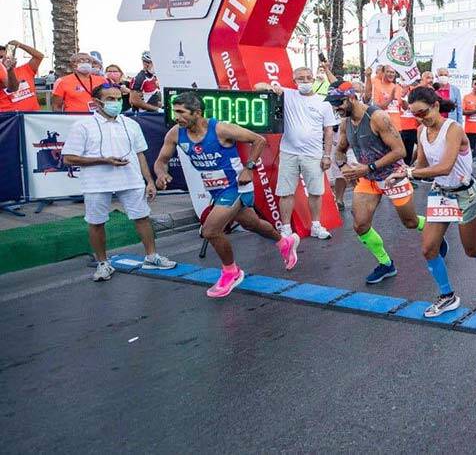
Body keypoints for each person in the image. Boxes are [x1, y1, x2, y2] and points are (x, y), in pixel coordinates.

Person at [154, 92, 299, 298]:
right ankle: (285, 242)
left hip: (237, 186)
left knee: (210, 230)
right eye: (174, 111)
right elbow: (161, 160)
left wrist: (249, 168)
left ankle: (231, 272)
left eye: (181, 112)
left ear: (197, 113)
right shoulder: (176, 133)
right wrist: (161, 173)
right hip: (216, 189)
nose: (176, 117)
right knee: (252, 224)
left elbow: (258, 140)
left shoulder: (221, 128)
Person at [397, 86, 476, 317]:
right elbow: (423, 165)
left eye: (423, 112)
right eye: (415, 115)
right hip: (441, 194)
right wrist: (404, 170)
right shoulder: (422, 132)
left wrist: (412, 174)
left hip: (466, 195)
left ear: (435, 105)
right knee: (428, 248)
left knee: (472, 250)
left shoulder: (452, 129)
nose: (420, 118)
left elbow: (445, 166)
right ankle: (447, 296)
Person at [62, 83, 176, 281]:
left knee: (142, 217)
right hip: (96, 184)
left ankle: (152, 257)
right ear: (97, 102)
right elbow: (69, 158)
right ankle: (103, 264)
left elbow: (140, 155)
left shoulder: (131, 124)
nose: (116, 103)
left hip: (131, 181)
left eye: (118, 98)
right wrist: (103, 160)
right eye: (110, 99)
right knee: (96, 223)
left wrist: (149, 181)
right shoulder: (82, 126)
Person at [327, 82, 429, 285]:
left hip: (393, 176)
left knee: (410, 223)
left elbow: (400, 151)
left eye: (338, 102)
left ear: (352, 97)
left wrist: (368, 168)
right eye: (332, 103)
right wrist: (343, 165)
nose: (335, 107)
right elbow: (340, 150)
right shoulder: (345, 123)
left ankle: (435, 231)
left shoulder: (377, 118)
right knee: (360, 225)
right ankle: (386, 263)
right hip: (368, 178)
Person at [255, 67, 338, 240]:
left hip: (314, 154)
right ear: (294, 81)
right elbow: (258, 86)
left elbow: (329, 131)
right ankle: (285, 228)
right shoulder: (288, 95)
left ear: (314, 80)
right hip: (289, 153)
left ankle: (316, 225)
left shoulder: (323, 103)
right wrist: (271, 88)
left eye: (308, 78)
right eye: (301, 78)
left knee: (316, 192)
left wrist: (327, 155)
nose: (305, 81)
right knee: (286, 192)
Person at [368, 65, 419, 166]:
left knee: (399, 155)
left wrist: (405, 100)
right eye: (388, 72)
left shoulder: (397, 87)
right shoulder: (377, 86)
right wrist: (391, 97)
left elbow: (402, 108)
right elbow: (377, 108)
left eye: (393, 72)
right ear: (383, 73)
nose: (391, 74)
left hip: (398, 128)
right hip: (383, 127)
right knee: (385, 156)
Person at [1, 39, 44, 111]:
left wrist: (20, 45)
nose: (3, 59)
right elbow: (12, 88)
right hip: (10, 118)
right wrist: (9, 70)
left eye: (4, 56)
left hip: (32, 116)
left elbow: (39, 56)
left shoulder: (25, 69)